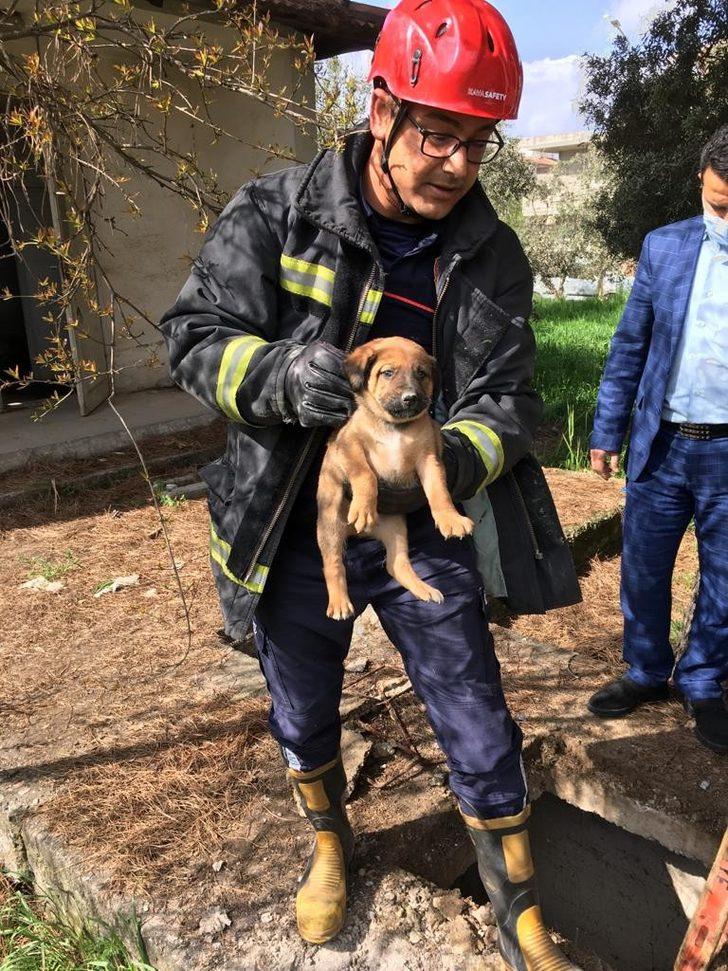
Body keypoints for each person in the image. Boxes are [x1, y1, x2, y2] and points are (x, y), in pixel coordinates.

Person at [160, 1, 580, 966]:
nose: (458, 165)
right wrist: (276, 377)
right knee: (302, 704)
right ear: (380, 107)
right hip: (293, 521)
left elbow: (511, 402)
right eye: (438, 134)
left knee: (476, 711)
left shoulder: (492, 255)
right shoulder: (277, 211)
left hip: (424, 529)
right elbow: (191, 336)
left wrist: (445, 464)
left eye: (480, 143)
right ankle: (327, 844)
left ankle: (519, 911)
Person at [588, 125, 728, 755]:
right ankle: (645, 670)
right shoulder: (664, 248)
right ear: (701, 185)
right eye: (717, 204)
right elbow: (629, 345)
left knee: (726, 577)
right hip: (663, 443)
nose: (724, 218)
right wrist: (607, 428)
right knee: (644, 568)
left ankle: (703, 679)